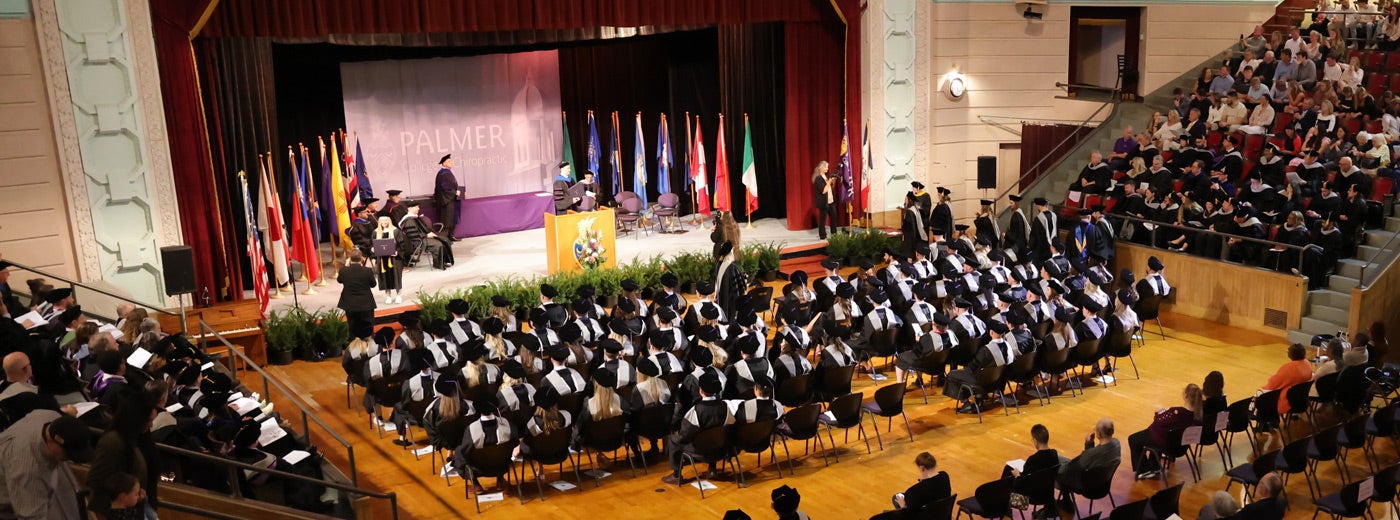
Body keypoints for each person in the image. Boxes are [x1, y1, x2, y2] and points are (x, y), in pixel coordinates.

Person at [0, 409, 92, 520]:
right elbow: (32, 517)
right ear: (52, 441)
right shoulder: (28, 470)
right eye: (67, 454)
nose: (69, 459)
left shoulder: (49, 416)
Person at [661, 372, 734, 485]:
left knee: (673, 440)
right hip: (719, 449)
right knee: (714, 434)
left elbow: (685, 435)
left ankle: (676, 474)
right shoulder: (725, 407)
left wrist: (676, 435)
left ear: (700, 391)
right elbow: (729, 427)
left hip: (700, 451)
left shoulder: (696, 411)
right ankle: (712, 469)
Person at [1127, 383, 1203, 479]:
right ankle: (1155, 465)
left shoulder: (1176, 412)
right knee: (1156, 434)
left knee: (1133, 439)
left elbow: (1158, 420)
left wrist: (1158, 412)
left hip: (1167, 445)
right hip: (1181, 447)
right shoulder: (1198, 416)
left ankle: (1145, 469)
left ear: (1185, 395)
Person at [1056, 418, 1120, 502]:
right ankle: (1066, 501)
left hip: (1086, 486)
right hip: (1102, 484)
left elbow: (1070, 468)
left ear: (1099, 434)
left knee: (1052, 467)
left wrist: (1057, 468)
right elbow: (1092, 460)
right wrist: (1090, 444)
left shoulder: (1091, 454)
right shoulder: (1116, 444)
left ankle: (1057, 505)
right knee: (1063, 461)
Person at [873, 452, 950, 520]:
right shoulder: (945, 476)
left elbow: (908, 515)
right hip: (941, 515)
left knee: (896, 498)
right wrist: (924, 481)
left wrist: (903, 505)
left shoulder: (914, 491)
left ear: (922, 468)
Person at [1260, 343, 1313, 416]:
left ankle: (1271, 422)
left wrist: (1270, 379)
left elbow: (1273, 384)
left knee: (1263, 396)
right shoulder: (1307, 363)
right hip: (1302, 399)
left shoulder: (1289, 368)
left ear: (1292, 354)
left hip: (1289, 401)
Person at [397, 201, 452, 269]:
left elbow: (424, 229)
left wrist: (430, 233)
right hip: (418, 241)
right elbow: (412, 235)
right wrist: (426, 235)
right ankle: (438, 264)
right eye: (416, 207)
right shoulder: (409, 220)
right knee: (438, 244)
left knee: (445, 240)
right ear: (410, 208)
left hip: (423, 237)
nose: (418, 208)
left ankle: (443, 262)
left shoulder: (415, 217)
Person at [337, 250, 376, 336]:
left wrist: (347, 266)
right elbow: (373, 284)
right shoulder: (367, 271)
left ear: (350, 259)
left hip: (350, 304)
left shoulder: (343, 271)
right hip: (366, 304)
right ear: (361, 258)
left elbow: (339, 280)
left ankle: (354, 346)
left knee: (352, 328)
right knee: (368, 329)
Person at [371, 216, 407, 304]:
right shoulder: (376, 232)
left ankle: (398, 295)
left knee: (396, 277)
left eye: (386, 220)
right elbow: (372, 244)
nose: (384, 222)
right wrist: (372, 249)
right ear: (379, 221)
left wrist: (397, 252)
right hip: (382, 259)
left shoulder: (395, 231)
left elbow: (402, 244)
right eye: (382, 220)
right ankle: (388, 296)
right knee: (385, 277)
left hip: (394, 258)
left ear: (389, 221)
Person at [712, 241, 745, 319]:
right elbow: (740, 288)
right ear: (730, 252)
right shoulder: (732, 267)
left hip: (720, 298)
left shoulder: (719, 265)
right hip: (731, 301)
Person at [432, 154, 461, 241]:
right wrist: (454, 192)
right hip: (446, 200)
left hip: (449, 199)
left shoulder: (447, 172)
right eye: (449, 161)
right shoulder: (444, 173)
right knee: (447, 219)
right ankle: (446, 237)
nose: (451, 163)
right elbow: (445, 188)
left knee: (451, 218)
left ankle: (450, 236)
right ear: (443, 163)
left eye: (451, 161)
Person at [812, 161, 835, 239]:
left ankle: (834, 234)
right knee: (823, 220)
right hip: (823, 202)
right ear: (822, 168)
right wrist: (829, 182)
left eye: (827, 167)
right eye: (826, 167)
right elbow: (824, 191)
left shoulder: (826, 176)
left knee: (834, 217)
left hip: (830, 201)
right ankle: (822, 235)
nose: (827, 169)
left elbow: (830, 188)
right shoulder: (818, 178)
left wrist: (832, 181)